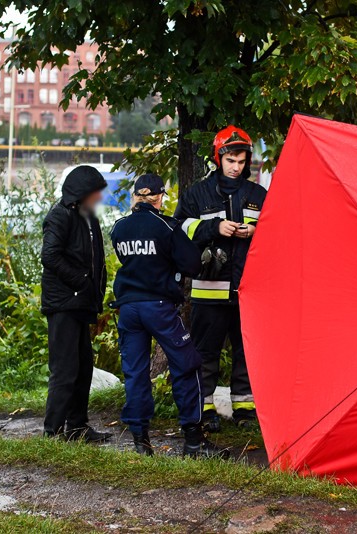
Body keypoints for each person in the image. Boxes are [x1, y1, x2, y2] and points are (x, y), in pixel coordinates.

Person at [111, 174, 229, 458]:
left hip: (128, 308)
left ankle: (140, 441)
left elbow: (129, 259)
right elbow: (191, 264)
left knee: (135, 372)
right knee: (187, 365)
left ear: (136, 196)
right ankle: (194, 441)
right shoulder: (166, 225)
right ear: (159, 197)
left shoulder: (119, 228)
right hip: (158, 307)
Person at [174, 126, 266, 432]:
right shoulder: (197, 193)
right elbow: (179, 229)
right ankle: (204, 408)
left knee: (246, 352)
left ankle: (245, 408)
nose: (236, 167)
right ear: (218, 158)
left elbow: (278, 233)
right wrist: (214, 228)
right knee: (205, 353)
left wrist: (255, 231)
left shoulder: (258, 195)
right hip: (209, 291)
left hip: (247, 291)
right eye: (230, 161)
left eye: (241, 161)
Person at [40, 165, 112, 443]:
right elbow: (50, 256)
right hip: (63, 304)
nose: (100, 197)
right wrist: (81, 281)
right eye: (96, 191)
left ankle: (77, 427)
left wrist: (94, 291)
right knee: (65, 370)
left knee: (83, 368)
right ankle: (53, 432)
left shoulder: (88, 217)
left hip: (81, 303)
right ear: (82, 192)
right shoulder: (60, 216)